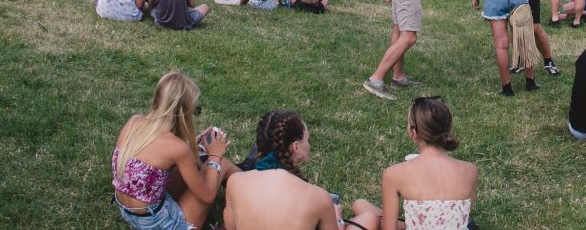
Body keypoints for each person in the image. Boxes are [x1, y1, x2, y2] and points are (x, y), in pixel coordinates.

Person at [112, 71, 238, 230]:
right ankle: (254, 188)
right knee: (223, 165)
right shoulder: (178, 149)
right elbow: (207, 195)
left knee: (192, 161)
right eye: (195, 110)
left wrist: (191, 144)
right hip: (161, 223)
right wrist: (214, 156)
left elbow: (157, 152)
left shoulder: (134, 122)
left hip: (131, 214)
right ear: (184, 111)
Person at [224, 110, 381, 230]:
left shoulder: (236, 181)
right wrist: (338, 217)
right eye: (308, 140)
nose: (309, 144)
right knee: (369, 219)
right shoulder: (317, 196)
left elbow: (231, 226)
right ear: (296, 147)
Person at [379, 96, 477, 230]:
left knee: (366, 210)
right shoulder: (470, 170)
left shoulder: (393, 174)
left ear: (413, 133)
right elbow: (465, 214)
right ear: (447, 129)